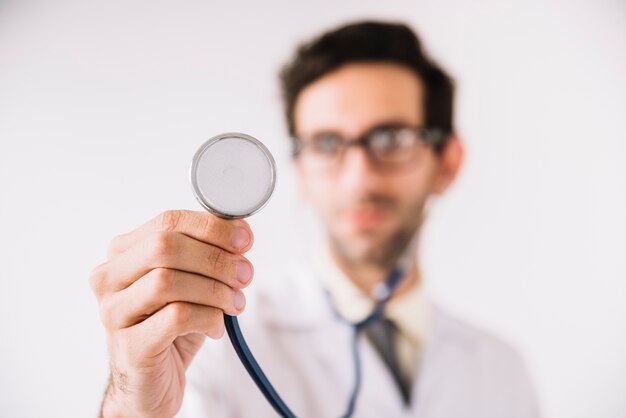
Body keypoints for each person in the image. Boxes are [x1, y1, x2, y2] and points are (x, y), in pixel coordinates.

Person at [90, 21, 540, 418]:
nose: (360, 177)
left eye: (393, 138)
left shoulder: (501, 371)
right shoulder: (205, 348)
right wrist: (132, 407)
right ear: (300, 171)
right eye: (327, 143)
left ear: (447, 163)